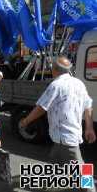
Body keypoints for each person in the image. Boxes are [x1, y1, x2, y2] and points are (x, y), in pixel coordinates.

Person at [19, 56, 96, 192]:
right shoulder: (79, 83)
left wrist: (25, 121)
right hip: (63, 137)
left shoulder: (56, 85)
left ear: (54, 70)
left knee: (81, 170)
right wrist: (89, 128)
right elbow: (88, 106)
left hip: (65, 138)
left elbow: (41, 107)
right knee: (54, 161)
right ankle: (45, 183)